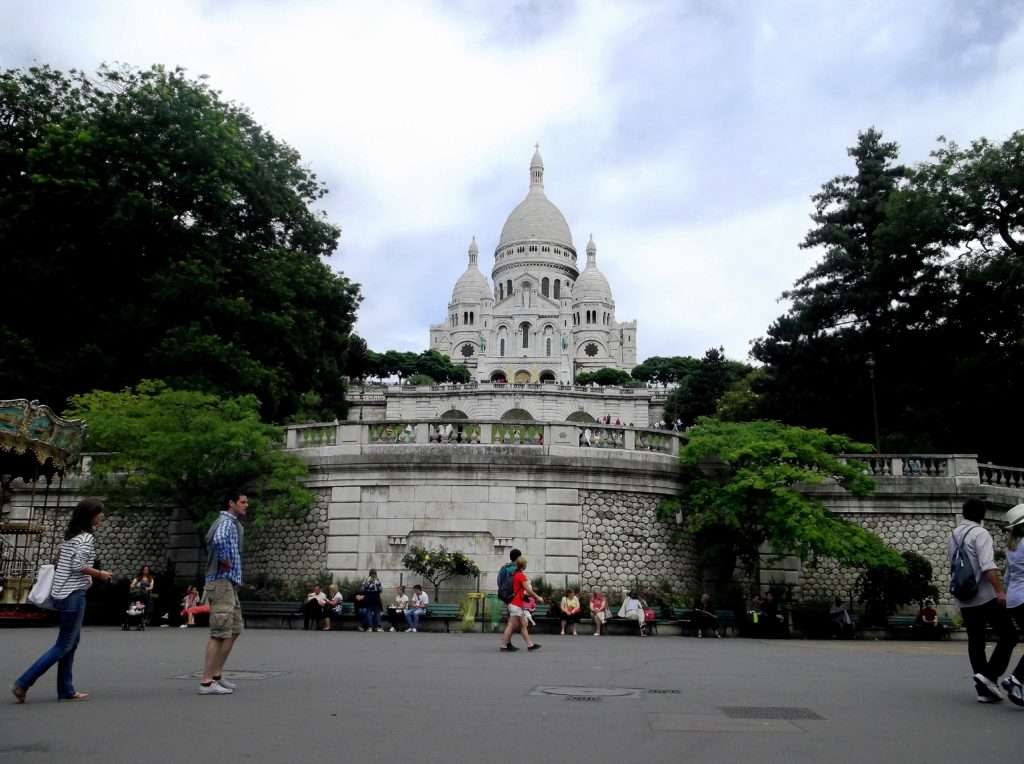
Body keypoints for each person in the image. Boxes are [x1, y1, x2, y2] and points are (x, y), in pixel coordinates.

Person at [12, 498, 113, 703]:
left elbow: (67, 564)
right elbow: (78, 565)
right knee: (64, 644)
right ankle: (23, 682)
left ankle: (66, 689)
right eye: (99, 513)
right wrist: (99, 574)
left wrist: (86, 577)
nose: (102, 516)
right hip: (73, 594)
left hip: (62, 592)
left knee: (71, 643)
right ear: (91, 516)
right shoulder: (86, 538)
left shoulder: (71, 537)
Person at [948, 497, 1017, 703]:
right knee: (1009, 635)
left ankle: (983, 690)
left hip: (964, 596)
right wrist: (1000, 592)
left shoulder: (954, 534)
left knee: (976, 640)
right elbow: (988, 566)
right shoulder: (980, 533)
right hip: (984, 595)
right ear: (982, 514)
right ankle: (989, 676)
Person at [198, 490, 248, 696]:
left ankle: (217, 674)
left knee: (234, 628)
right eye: (243, 502)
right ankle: (207, 682)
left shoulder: (232, 523)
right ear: (231, 503)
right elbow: (218, 541)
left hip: (229, 583)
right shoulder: (226, 522)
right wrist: (224, 560)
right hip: (220, 582)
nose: (246, 505)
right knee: (220, 631)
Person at [1000, 504, 1024, 704]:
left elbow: (1007, 578)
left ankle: (1017, 682)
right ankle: (1015, 678)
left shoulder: (1012, 547)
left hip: (1014, 601)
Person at [500, 556, 543, 651]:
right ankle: (504, 645)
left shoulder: (515, 574)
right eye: (526, 564)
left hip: (515, 604)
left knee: (523, 624)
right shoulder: (521, 575)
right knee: (511, 625)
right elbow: (528, 589)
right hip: (516, 604)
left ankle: (530, 645)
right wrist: (538, 597)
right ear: (524, 565)